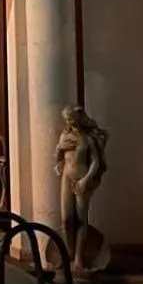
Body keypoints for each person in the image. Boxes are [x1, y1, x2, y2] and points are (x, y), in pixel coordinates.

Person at [54, 104, 107, 271]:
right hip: (67, 177)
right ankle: (68, 253)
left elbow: (96, 161)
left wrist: (85, 180)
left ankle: (78, 257)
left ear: (78, 118)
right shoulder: (65, 136)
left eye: (71, 118)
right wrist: (59, 149)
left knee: (80, 218)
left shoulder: (87, 138)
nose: (68, 122)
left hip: (81, 177)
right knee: (66, 218)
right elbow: (59, 157)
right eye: (66, 119)